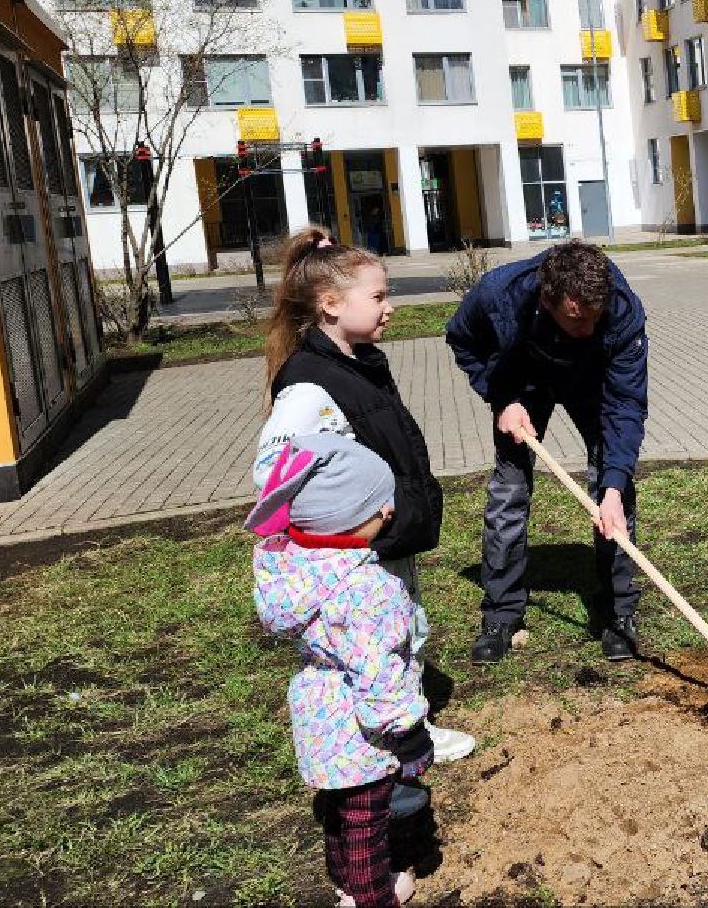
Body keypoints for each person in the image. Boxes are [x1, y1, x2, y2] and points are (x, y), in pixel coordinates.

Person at [253, 229, 476, 764]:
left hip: (385, 534)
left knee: (406, 626)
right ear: (330, 304)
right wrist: (336, 526)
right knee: (381, 638)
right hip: (358, 549)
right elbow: (272, 474)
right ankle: (396, 737)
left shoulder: (357, 361)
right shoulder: (309, 386)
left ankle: (402, 721)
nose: (389, 307)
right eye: (378, 296)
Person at [248, 432, 433, 908]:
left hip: (317, 715)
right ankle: (373, 897)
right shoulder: (368, 589)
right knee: (367, 824)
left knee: (337, 809)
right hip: (358, 729)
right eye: (378, 506)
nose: (388, 512)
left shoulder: (292, 566)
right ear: (350, 520)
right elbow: (379, 674)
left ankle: (346, 885)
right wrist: (409, 733)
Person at [445, 240, 650, 666]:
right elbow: (462, 339)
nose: (588, 329)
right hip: (522, 383)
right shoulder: (498, 293)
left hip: (592, 382)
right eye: (577, 319)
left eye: (595, 318)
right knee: (509, 490)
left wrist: (613, 486)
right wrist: (502, 399)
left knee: (615, 487)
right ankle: (502, 614)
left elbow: (626, 404)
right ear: (547, 298)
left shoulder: (623, 311)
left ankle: (618, 611)